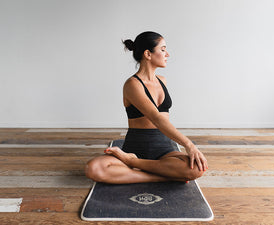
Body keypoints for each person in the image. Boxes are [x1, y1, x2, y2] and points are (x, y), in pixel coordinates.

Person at [85, 31, 208, 184]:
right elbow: (156, 118)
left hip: (164, 149)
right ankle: (161, 175)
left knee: (197, 168)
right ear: (148, 54)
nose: (167, 54)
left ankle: (135, 164)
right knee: (94, 168)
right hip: (135, 147)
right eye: (162, 49)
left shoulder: (162, 81)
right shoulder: (132, 84)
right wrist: (189, 145)